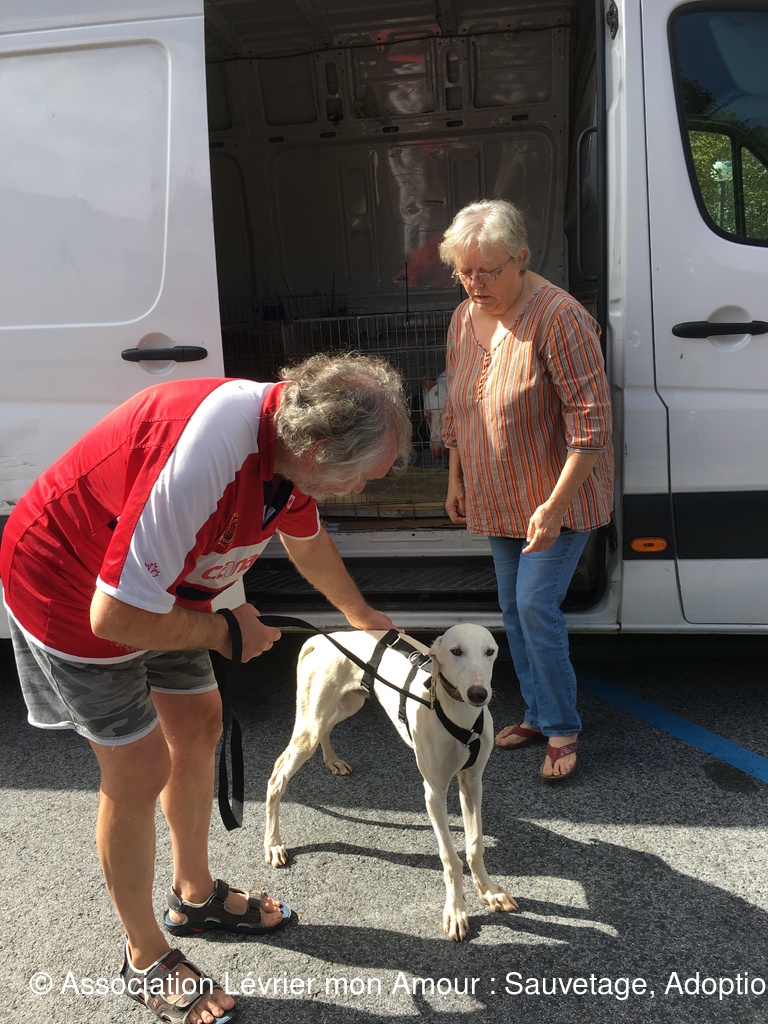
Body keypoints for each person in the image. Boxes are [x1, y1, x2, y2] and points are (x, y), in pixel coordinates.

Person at [0, 352, 411, 1024]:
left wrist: (361, 615)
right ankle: (144, 957)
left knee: (197, 724)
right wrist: (225, 630)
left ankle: (193, 896)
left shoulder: (293, 440)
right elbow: (114, 615)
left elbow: (306, 541)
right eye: (364, 475)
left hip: (159, 588)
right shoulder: (210, 449)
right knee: (139, 767)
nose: (363, 488)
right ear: (320, 450)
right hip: (69, 587)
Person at [438, 199, 613, 783]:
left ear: (521, 257)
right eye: (465, 272)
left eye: (489, 271)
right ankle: (537, 713)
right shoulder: (464, 317)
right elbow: (459, 404)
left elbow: (591, 424)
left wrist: (555, 506)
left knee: (536, 605)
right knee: (513, 610)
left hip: (557, 497)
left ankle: (561, 727)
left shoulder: (559, 317)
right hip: (498, 495)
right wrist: (456, 475)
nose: (476, 284)